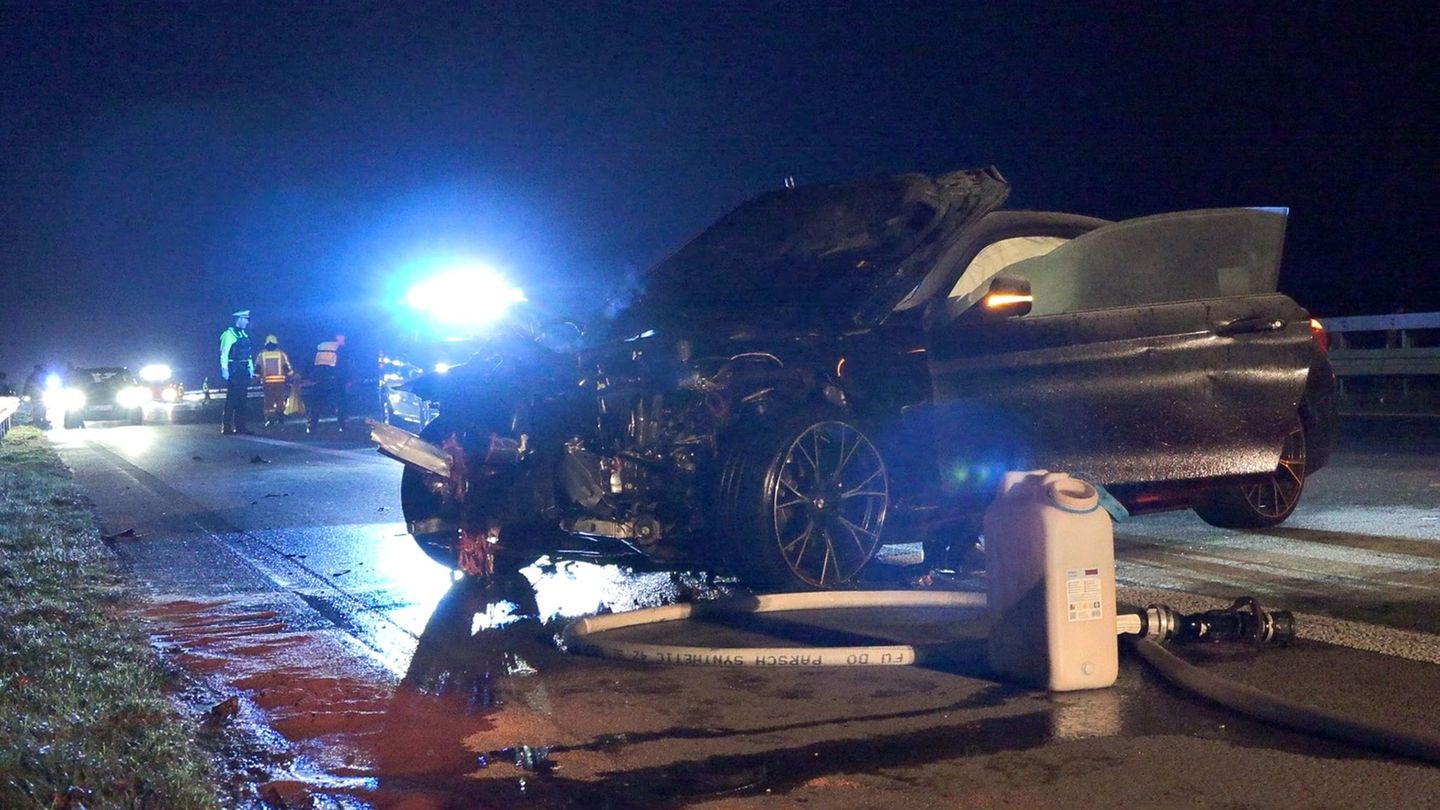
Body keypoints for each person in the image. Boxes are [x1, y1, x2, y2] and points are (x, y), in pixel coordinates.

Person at [219, 309, 254, 435]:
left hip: (243, 369)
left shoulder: (244, 334)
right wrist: (224, 370)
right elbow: (224, 353)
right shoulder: (229, 334)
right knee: (232, 399)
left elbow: (248, 354)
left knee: (242, 400)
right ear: (239, 319)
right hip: (234, 368)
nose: (247, 322)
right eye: (245, 319)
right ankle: (226, 427)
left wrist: (251, 368)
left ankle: (241, 427)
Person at [308, 332, 349, 433]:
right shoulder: (339, 348)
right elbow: (344, 365)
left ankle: (312, 425)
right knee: (341, 402)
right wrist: (347, 378)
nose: (344, 341)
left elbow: (310, 361)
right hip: (335, 378)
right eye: (343, 339)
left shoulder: (320, 346)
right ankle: (342, 424)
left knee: (316, 403)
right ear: (337, 338)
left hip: (319, 378)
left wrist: (308, 376)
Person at [256, 334, 294, 427]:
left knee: (268, 401)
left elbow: (257, 368)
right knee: (280, 400)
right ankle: (280, 418)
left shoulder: (262, 354)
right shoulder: (281, 354)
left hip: (267, 382)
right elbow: (287, 367)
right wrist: (291, 376)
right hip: (280, 382)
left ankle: (270, 419)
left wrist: (256, 378)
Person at [22, 363, 49, 429]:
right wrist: (25, 393)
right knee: (37, 407)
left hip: (40, 394)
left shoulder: (42, 376)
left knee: (43, 407)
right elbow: (27, 385)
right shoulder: (32, 377)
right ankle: (37, 419)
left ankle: (42, 418)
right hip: (35, 395)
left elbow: (46, 384)